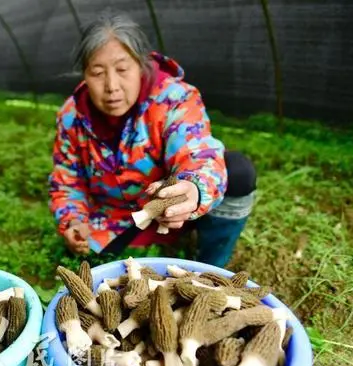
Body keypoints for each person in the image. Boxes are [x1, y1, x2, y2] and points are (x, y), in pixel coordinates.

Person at [48, 10, 257, 268]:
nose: (112, 85)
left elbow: (198, 155)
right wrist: (72, 220)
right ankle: (149, 242)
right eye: (98, 72)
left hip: (173, 209)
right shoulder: (72, 116)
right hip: (117, 219)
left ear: (141, 65)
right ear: (84, 74)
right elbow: (67, 179)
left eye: (123, 69)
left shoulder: (174, 98)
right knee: (92, 256)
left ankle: (210, 263)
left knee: (238, 172)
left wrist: (193, 189)